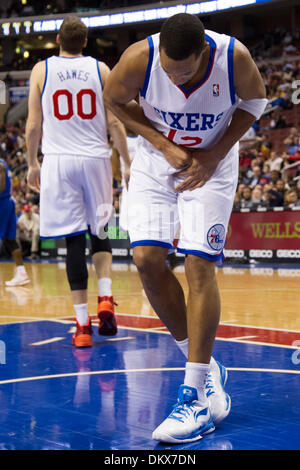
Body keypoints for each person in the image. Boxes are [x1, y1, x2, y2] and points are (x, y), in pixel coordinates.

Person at [103, 13, 267, 443]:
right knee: (145, 260)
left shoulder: (234, 57)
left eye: (186, 72)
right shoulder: (140, 57)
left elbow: (255, 102)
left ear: (204, 53)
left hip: (212, 164)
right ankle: (208, 368)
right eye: (169, 74)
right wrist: (159, 143)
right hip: (159, 162)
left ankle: (194, 395)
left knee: (198, 266)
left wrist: (215, 155)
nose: (176, 81)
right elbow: (112, 99)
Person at [25, 16, 131, 348]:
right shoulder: (101, 69)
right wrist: (126, 162)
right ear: (85, 42)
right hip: (95, 158)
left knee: (73, 241)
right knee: (98, 232)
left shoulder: (41, 70)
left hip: (58, 160)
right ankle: (105, 296)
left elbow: (31, 125)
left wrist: (31, 163)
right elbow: (115, 121)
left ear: (58, 39)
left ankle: (83, 326)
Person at [0, 158, 30, 286]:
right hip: (8, 202)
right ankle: (22, 273)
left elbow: (1, 187)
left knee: (9, 240)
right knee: (9, 240)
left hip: (2, 203)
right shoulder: (3, 163)